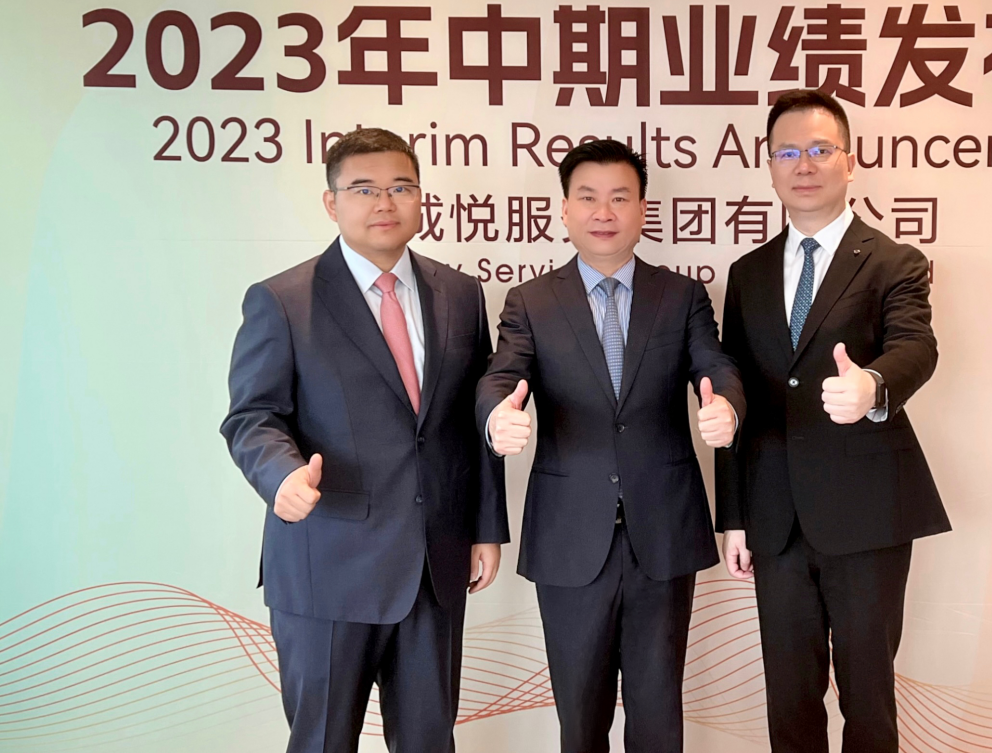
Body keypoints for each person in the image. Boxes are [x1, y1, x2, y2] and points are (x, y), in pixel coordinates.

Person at [221, 128, 508, 753]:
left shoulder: (460, 294)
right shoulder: (282, 299)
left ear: (421, 197)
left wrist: (485, 527)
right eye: (364, 189)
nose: (385, 202)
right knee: (323, 740)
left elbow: (475, 416)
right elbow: (252, 416)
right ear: (332, 202)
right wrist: (281, 476)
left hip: (432, 566)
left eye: (401, 187)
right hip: (327, 564)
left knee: (429, 741)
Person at [476, 139, 744, 753]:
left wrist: (726, 403)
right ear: (564, 209)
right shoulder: (531, 301)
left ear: (643, 209)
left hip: (663, 530)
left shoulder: (681, 296)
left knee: (658, 713)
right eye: (588, 198)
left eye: (620, 198)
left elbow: (715, 365)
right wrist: (496, 418)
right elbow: (501, 376)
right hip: (569, 535)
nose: (604, 212)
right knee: (580, 715)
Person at [715, 90, 951, 753]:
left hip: (867, 514)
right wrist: (733, 515)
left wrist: (872, 384)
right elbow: (732, 395)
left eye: (820, 149)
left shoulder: (893, 261)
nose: (804, 164)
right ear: (768, 165)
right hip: (775, 517)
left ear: (849, 161)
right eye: (787, 151)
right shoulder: (748, 273)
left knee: (866, 695)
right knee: (789, 698)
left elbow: (917, 345)